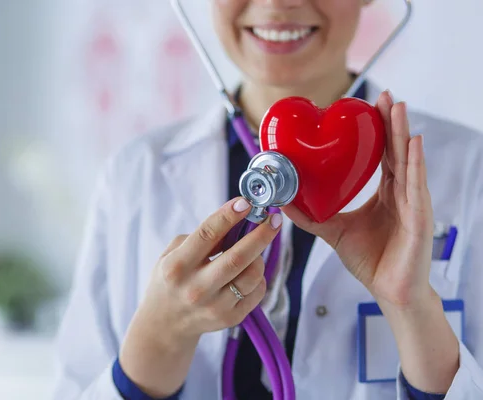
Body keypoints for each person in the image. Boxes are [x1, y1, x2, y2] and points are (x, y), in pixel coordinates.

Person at [53, 1, 483, 399]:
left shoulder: (468, 169)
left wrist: (411, 307)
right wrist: (159, 339)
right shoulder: (135, 173)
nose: (277, 3)